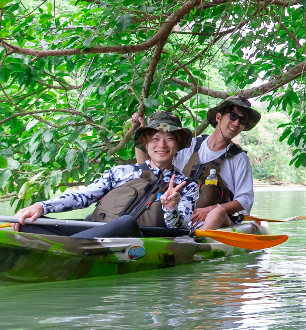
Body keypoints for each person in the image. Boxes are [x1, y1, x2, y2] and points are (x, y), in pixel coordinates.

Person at [12, 111, 198, 235]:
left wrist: (170, 207)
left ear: (178, 144)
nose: (162, 145)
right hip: (97, 231)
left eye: (169, 139)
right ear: (146, 143)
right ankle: (71, 245)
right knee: (28, 223)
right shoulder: (120, 172)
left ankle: (68, 247)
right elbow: (82, 197)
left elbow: (180, 229)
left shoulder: (187, 186)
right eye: (155, 138)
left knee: (127, 223)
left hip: (137, 241)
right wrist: (41, 206)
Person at [174, 96, 259, 230]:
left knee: (217, 213)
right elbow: (156, 165)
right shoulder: (190, 146)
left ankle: (198, 243)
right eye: (232, 116)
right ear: (218, 117)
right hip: (179, 218)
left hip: (217, 223)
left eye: (242, 120)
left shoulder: (239, 158)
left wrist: (210, 210)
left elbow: (245, 199)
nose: (236, 123)